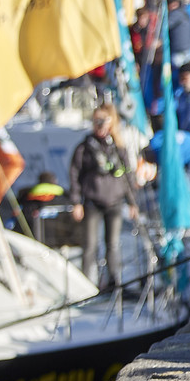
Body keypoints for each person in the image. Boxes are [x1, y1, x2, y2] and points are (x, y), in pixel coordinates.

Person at [68, 106, 138, 289]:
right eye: (96, 121)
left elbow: (127, 176)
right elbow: (74, 175)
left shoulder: (118, 148)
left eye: (103, 121)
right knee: (90, 246)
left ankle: (114, 282)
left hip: (114, 203)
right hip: (92, 202)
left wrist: (133, 203)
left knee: (112, 244)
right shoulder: (84, 148)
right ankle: (84, 286)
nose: (99, 126)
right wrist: (76, 202)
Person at [167, 0, 190, 66]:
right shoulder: (185, 12)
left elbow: (166, 26)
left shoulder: (175, 14)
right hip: (187, 48)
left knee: (177, 72)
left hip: (178, 50)